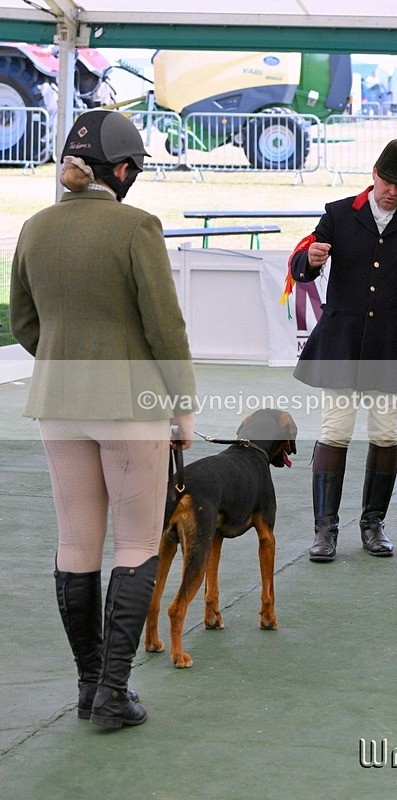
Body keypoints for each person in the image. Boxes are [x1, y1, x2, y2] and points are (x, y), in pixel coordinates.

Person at [9, 110, 197, 728]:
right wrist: (183, 403)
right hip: (129, 401)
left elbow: (25, 324)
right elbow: (164, 327)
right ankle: (115, 693)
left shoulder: (34, 227)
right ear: (121, 170)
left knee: (75, 543)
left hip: (58, 402)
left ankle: (90, 685)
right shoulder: (137, 226)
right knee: (137, 542)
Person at [284, 138, 397, 562]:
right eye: (387, 182)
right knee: (335, 431)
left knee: (385, 433)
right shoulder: (338, 213)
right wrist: (311, 260)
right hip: (341, 339)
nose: (393, 192)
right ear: (374, 174)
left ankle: (373, 524)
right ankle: (325, 530)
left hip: (393, 342)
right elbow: (301, 269)